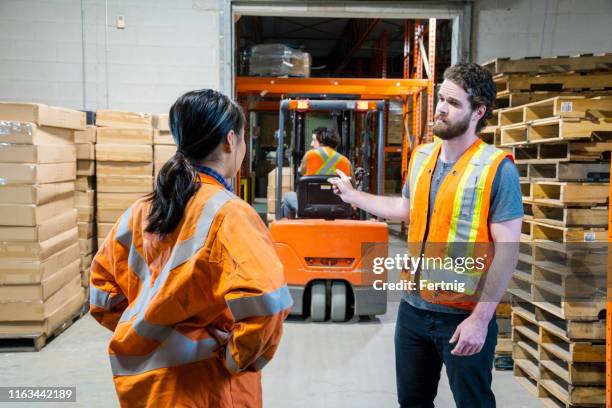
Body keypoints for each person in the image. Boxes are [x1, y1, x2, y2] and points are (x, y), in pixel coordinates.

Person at [329, 62, 523, 408]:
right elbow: (406, 209)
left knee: (474, 402)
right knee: (413, 401)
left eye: (453, 103)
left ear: (478, 112)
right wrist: (353, 197)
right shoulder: (421, 157)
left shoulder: (497, 168)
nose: (440, 108)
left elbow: (507, 253)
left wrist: (481, 319)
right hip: (413, 311)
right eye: (440, 99)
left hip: (463, 315)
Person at [89, 89, 293, 408]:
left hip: (144, 389)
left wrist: (147, 330)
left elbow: (101, 294)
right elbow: (266, 304)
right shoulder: (230, 214)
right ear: (230, 141)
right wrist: (235, 359)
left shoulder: (140, 211)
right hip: (205, 387)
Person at [281, 127, 351, 218]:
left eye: (314, 140)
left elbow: (301, 172)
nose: (311, 144)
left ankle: (292, 229)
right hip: (338, 208)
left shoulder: (310, 155)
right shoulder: (345, 161)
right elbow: (351, 185)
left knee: (287, 197)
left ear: (322, 141)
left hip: (309, 206)